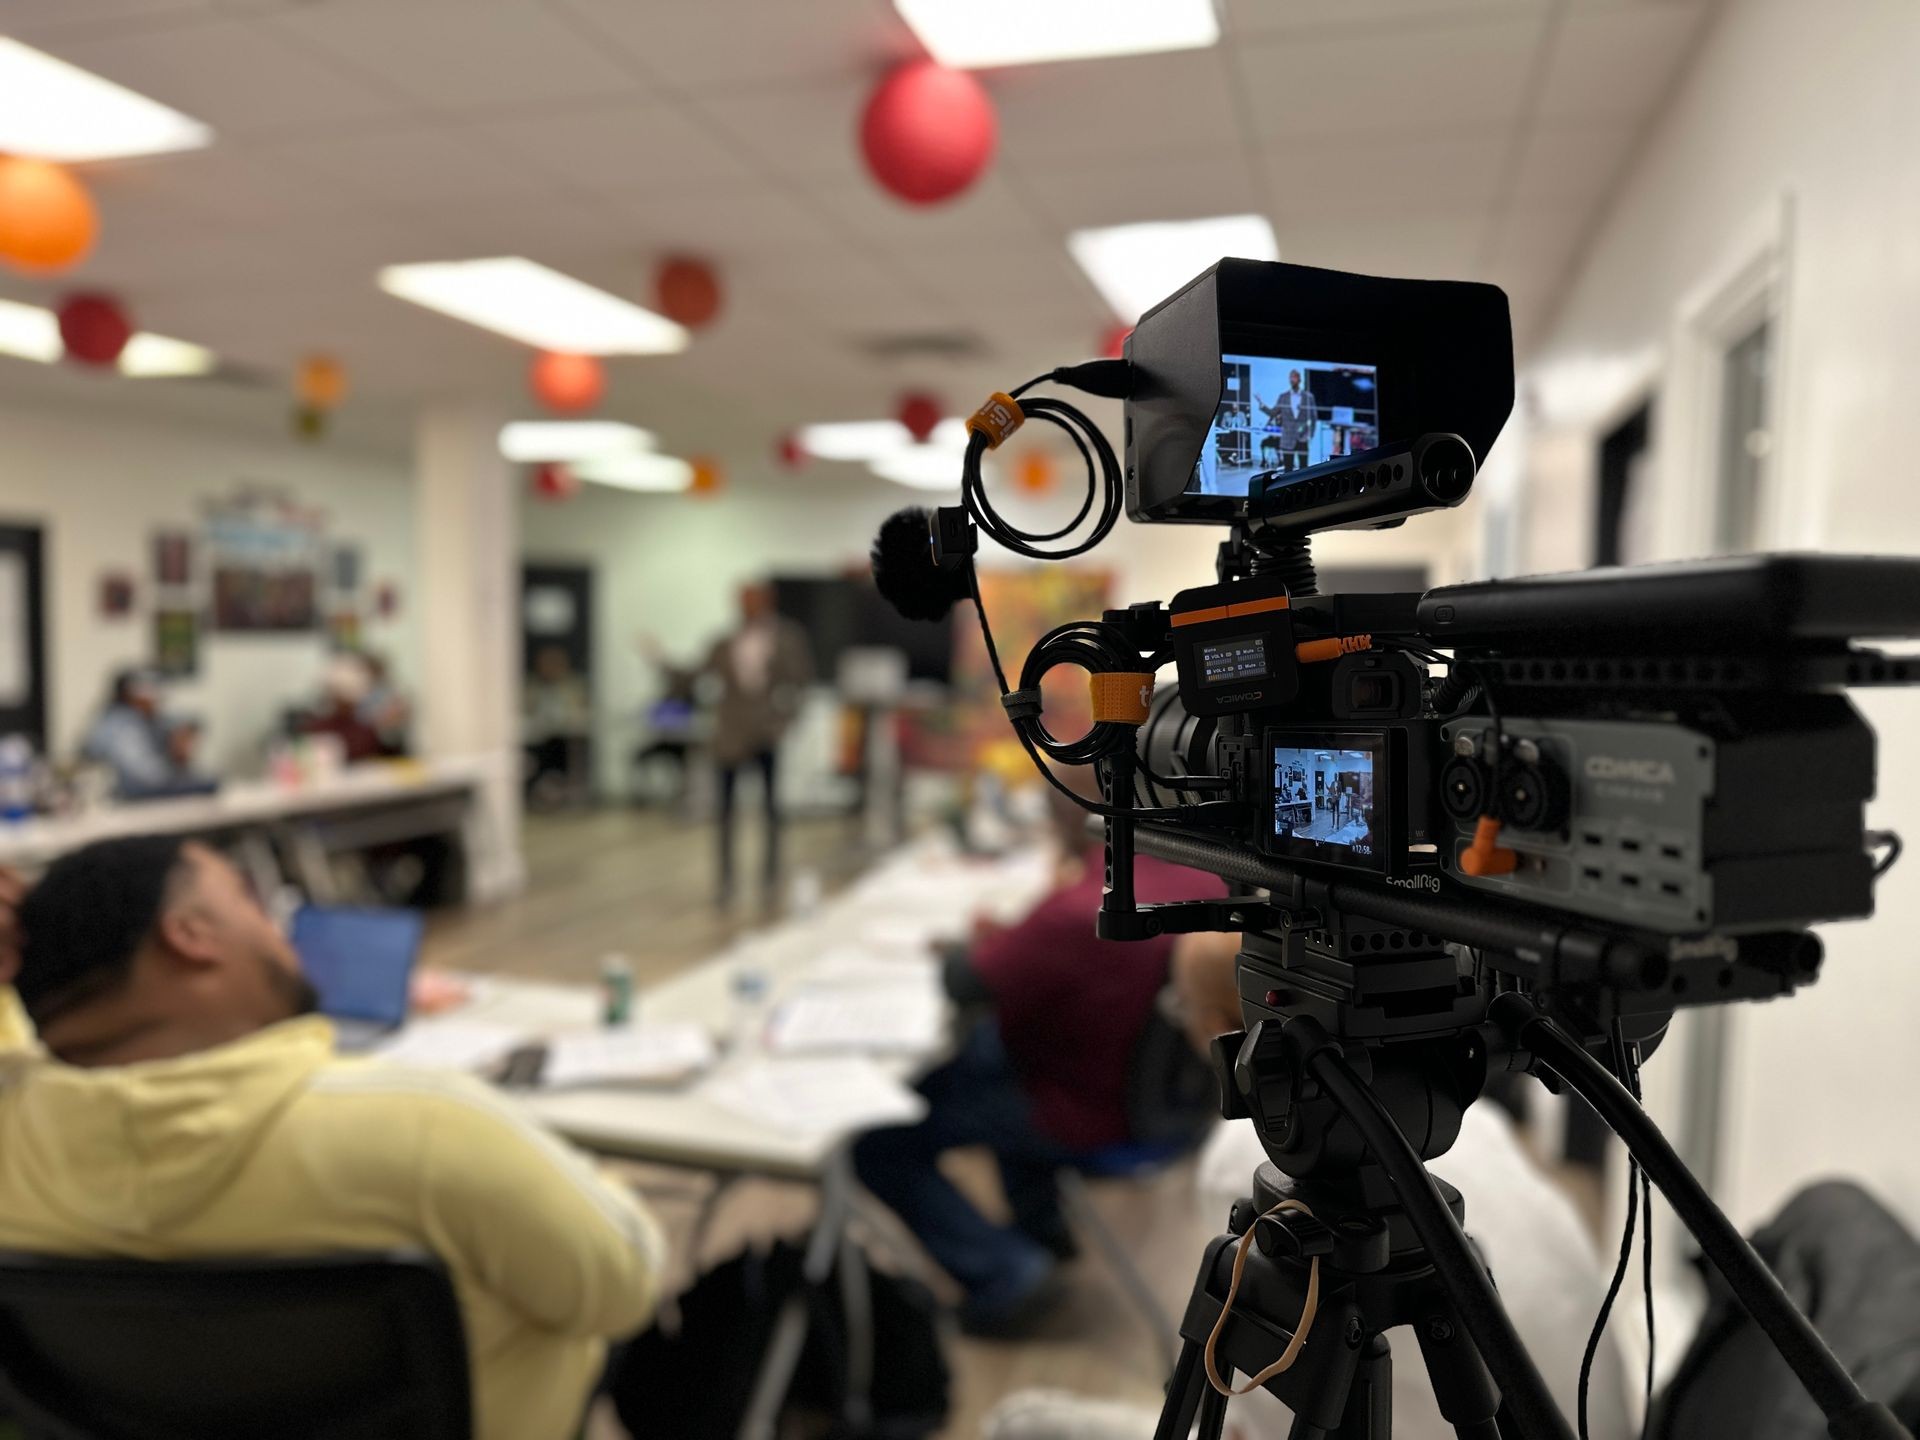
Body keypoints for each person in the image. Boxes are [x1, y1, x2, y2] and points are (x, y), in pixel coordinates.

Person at [0, 837, 666, 1440]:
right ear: (192, 936)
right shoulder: (424, 1128)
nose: (283, 929)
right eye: (250, 900)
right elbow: (624, 1283)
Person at [983, 931, 1635, 1440]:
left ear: (1227, 1029)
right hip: (1584, 1418)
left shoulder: (1249, 1159)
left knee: (1019, 1423)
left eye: (1182, 1008)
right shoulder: (1469, 1126)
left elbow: (1259, 1403)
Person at [853, 787, 1227, 1335]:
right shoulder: (1204, 879)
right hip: (1185, 1114)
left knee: (880, 1134)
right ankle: (1045, 1233)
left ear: (1062, 817)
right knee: (1005, 1053)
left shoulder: (1075, 910)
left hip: (1092, 1118)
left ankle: (1004, 1271)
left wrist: (989, 942)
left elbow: (966, 982)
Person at [646, 582, 813, 907]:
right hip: (729, 737)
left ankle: (769, 878)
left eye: (753, 600)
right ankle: (726, 882)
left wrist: (784, 722)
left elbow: (802, 682)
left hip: (766, 734)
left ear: (766, 602)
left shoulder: (788, 638)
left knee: (771, 810)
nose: (747, 607)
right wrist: (660, 659)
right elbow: (690, 677)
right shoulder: (723, 642)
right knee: (724, 813)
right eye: (742, 601)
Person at [81, 667, 211, 800]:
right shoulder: (120, 725)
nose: (157, 698)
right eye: (151, 691)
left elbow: (181, 728)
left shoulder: (148, 721)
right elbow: (144, 780)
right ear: (130, 695)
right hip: (123, 805)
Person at [1256, 368, 1317, 472]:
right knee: (1288, 470)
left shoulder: (1308, 397)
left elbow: (1313, 417)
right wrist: (1261, 404)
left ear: (1299, 379)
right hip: (1287, 438)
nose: (1292, 380)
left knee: (1304, 469)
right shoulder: (1283, 397)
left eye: (1294, 377)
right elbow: (1273, 413)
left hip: (1302, 438)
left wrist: (1310, 435)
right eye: (1291, 378)